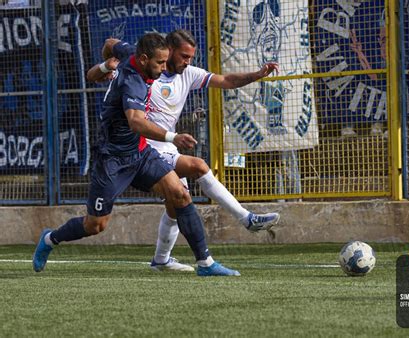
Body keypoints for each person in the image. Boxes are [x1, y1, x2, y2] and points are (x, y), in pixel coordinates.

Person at [33, 32, 240, 277]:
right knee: (95, 225)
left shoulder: (129, 51)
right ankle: (50, 239)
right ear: (143, 59)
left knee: (180, 195)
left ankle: (205, 263)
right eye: (159, 64)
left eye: (165, 62)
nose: (164, 69)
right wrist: (174, 137)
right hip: (112, 159)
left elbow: (109, 43)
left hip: (140, 152)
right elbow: (136, 122)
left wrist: (105, 64)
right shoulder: (133, 82)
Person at [87, 29, 281, 272]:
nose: (188, 61)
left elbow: (226, 81)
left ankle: (161, 260)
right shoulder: (144, 69)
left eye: (191, 57)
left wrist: (257, 75)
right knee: (197, 167)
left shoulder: (188, 74)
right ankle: (246, 219)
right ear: (168, 51)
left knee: (177, 202)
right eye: (184, 56)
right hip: (146, 144)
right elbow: (110, 44)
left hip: (167, 144)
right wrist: (107, 65)